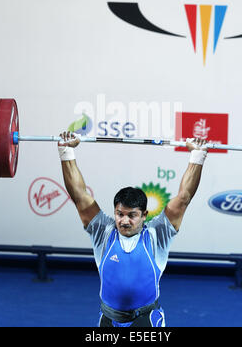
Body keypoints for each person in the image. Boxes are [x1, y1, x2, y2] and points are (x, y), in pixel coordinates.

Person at [58, 133, 208, 327]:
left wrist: (197, 156)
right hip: (109, 320)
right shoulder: (103, 231)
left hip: (146, 321)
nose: (124, 221)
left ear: (144, 215)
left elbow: (184, 197)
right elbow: (79, 195)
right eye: (119, 214)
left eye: (132, 215)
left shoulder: (157, 234)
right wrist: (66, 150)